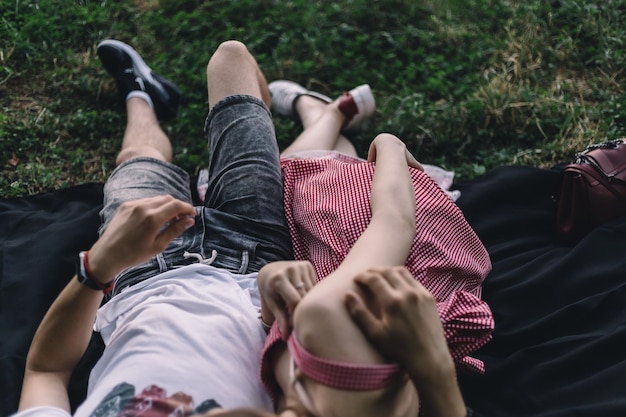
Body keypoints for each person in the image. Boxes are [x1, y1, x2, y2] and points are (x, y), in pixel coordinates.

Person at [14, 39, 294, 417]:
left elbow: (46, 370)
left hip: (138, 273)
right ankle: (284, 114)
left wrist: (97, 269)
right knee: (231, 62)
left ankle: (142, 93)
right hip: (251, 266)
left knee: (137, 158)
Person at [256, 82, 494, 416]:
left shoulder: (303, 389)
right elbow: (395, 221)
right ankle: (328, 113)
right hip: (415, 244)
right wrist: (390, 144)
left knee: (323, 169)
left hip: (375, 258)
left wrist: (270, 286)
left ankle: (322, 115)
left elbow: (273, 324)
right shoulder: (325, 324)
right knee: (306, 181)